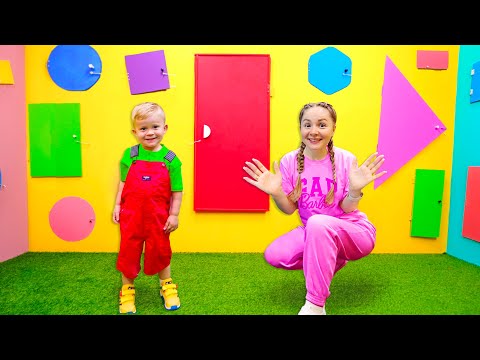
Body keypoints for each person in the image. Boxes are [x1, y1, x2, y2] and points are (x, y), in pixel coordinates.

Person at [242, 101, 386, 315]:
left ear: (333, 128)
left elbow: (347, 209)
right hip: (314, 231)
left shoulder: (346, 159)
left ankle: (315, 305)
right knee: (275, 254)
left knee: (318, 222)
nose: (314, 131)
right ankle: (329, 257)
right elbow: (290, 209)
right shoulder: (290, 161)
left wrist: (355, 191)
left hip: (353, 230)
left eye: (322, 125)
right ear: (300, 128)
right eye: (307, 125)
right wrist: (277, 193)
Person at [113, 101, 183, 314]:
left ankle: (167, 285)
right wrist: (117, 204)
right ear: (135, 131)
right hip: (131, 217)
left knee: (160, 251)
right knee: (128, 252)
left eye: (155, 127)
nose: (149, 133)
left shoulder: (171, 160)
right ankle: (127, 289)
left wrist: (174, 214)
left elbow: (177, 191)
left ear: (165, 128)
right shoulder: (130, 155)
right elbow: (123, 183)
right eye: (143, 128)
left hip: (159, 219)